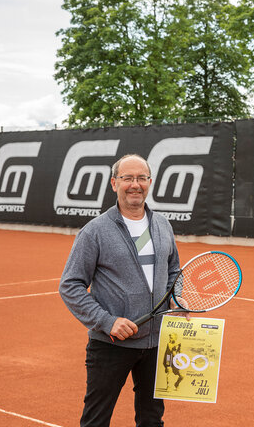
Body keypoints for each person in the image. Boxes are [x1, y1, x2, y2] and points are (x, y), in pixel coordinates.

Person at [59, 154, 187, 427]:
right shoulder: (95, 231)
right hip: (111, 345)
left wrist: (178, 298)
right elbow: (70, 285)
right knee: (96, 420)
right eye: (127, 178)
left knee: (152, 419)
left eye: (141, 178)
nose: (135, 184)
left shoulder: (163, 225)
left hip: (157, 343)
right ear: (114, 183)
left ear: (150, 182)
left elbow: (174, 270)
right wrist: (108, 321)